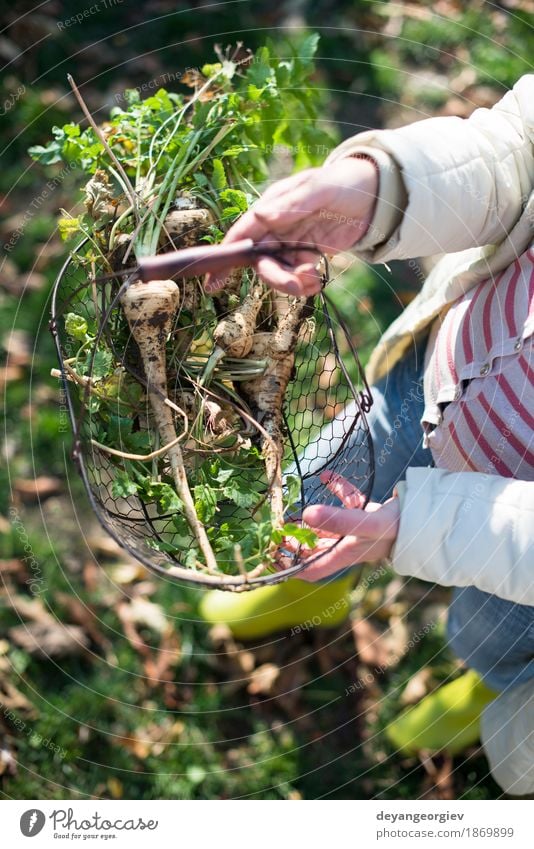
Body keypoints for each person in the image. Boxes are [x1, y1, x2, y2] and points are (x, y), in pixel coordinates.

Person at [199, 76, 534, 795]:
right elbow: (518, 148)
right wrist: (379, 190)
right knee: (334, 472)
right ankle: (308, 589)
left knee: (490, 627)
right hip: (445, 373)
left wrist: (428, 525)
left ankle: (490, 685)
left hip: (520, 527)